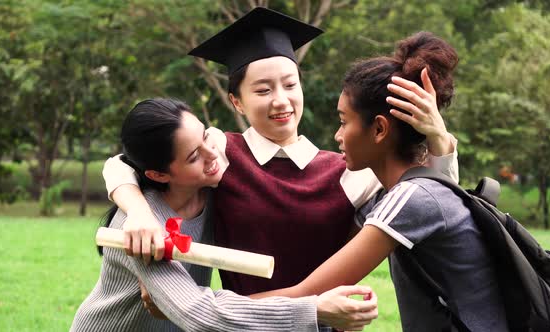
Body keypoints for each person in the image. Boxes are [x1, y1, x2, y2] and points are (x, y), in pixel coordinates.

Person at [102, 7, 458, 297]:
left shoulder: (350, 171)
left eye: (290, 84)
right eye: (262, 90)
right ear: (236, 102)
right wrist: (138, 212)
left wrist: (439, 138)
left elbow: (434, 204)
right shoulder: (222, 151)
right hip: (243, 324)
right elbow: (122, 166)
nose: (280, 100)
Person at [253, 32, 509, 331]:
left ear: (378, 129)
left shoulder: (413, 199)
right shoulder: (398, 196)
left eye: (343, 121)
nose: (338, 136)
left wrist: (203, 306)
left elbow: (307, 294)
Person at [71, 98, 378, 332]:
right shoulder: (142, 232)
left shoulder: (213, 184)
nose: (212, 155)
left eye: (205, 137)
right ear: (158, 174)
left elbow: (118, 164)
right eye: (194, 157)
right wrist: (312, 310)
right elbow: (197, 314)